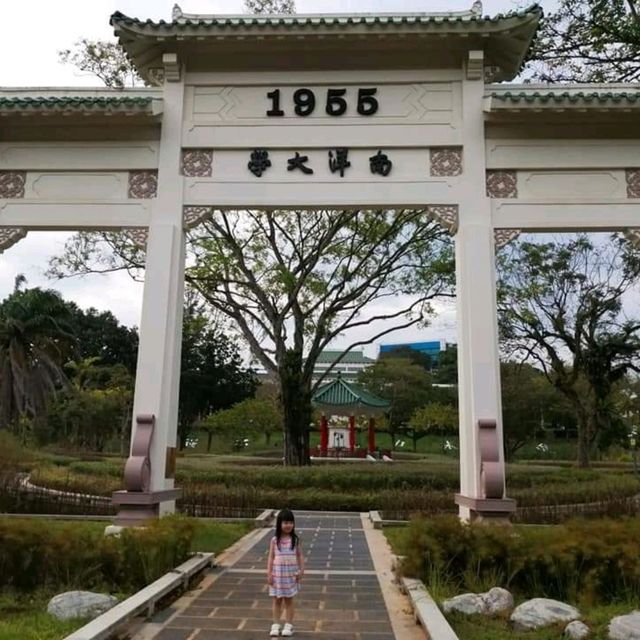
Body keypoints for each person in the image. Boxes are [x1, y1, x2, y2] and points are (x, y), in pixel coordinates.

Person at [267, 508, 304, 636]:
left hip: (290, 575)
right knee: (276, 600)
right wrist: (269, 573)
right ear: (279, 524)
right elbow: (271, 557)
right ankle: (275, 624)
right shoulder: (274, 540)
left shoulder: (295, 540)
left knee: (289, 600)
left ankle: (288, 624)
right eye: (285, 522)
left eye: (290, 522)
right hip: (277, 575)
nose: (288, 525)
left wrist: (301, 571)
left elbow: (299, 556)